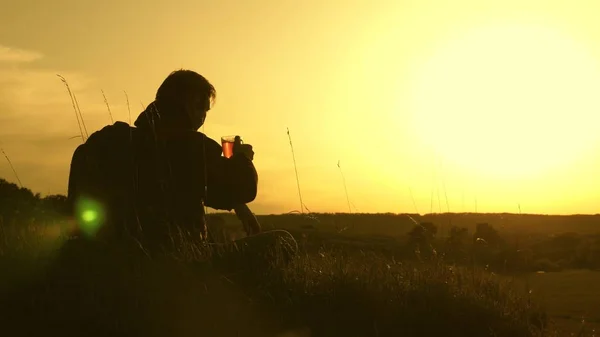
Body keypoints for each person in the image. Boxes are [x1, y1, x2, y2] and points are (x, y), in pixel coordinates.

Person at [66, 69, 266, 251]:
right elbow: (245, 187)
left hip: (110, 262)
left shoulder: (114, 142)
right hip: (179, 264)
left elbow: (204, 189)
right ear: (188, 107)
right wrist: (242, 159)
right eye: (202, 110)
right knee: (281, 242)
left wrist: (237, 204)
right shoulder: (191, 148)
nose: (203, 119)